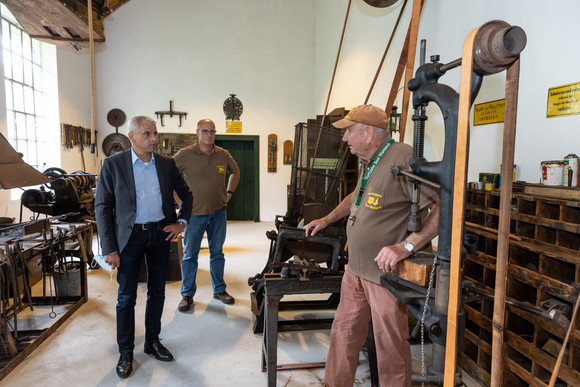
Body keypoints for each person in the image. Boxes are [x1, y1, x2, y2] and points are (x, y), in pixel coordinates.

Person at [304, 104, 440, 387]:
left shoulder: (402, 156)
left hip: (385, 274)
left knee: (389, 345)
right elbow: (357, 196)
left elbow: (442, 208)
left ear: (367, 133)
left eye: (349, 132)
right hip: (356, 270)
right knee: (343, 333)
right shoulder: (371, 160)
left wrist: (406, 247)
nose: (344, 139)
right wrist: (327, 219)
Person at [95, 116, 193, 379]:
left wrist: (181, 222)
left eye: (155, 133)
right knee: (126, 297)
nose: (154, 139)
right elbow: (102, 208)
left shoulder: (165, 164)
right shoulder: (113, 165)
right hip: (129, 239)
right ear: (132, 137)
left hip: (160, 235)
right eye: (147, 134)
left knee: (157, 292)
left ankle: (152, 341)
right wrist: (109, 248)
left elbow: (187, 194)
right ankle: (126, 351)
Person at [173, 118, 240, 311]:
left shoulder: (223, 154)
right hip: (194, 214)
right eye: (205, 131)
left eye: (212, 131)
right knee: (189, 255)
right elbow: (169, 177)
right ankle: (187, 295)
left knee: (217, 253)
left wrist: (229, 193)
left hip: (218, 212)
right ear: (197, 132)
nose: (209, 135)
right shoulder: (184, 155)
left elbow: (235, 171)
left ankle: (219, 290)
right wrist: (181, 203)